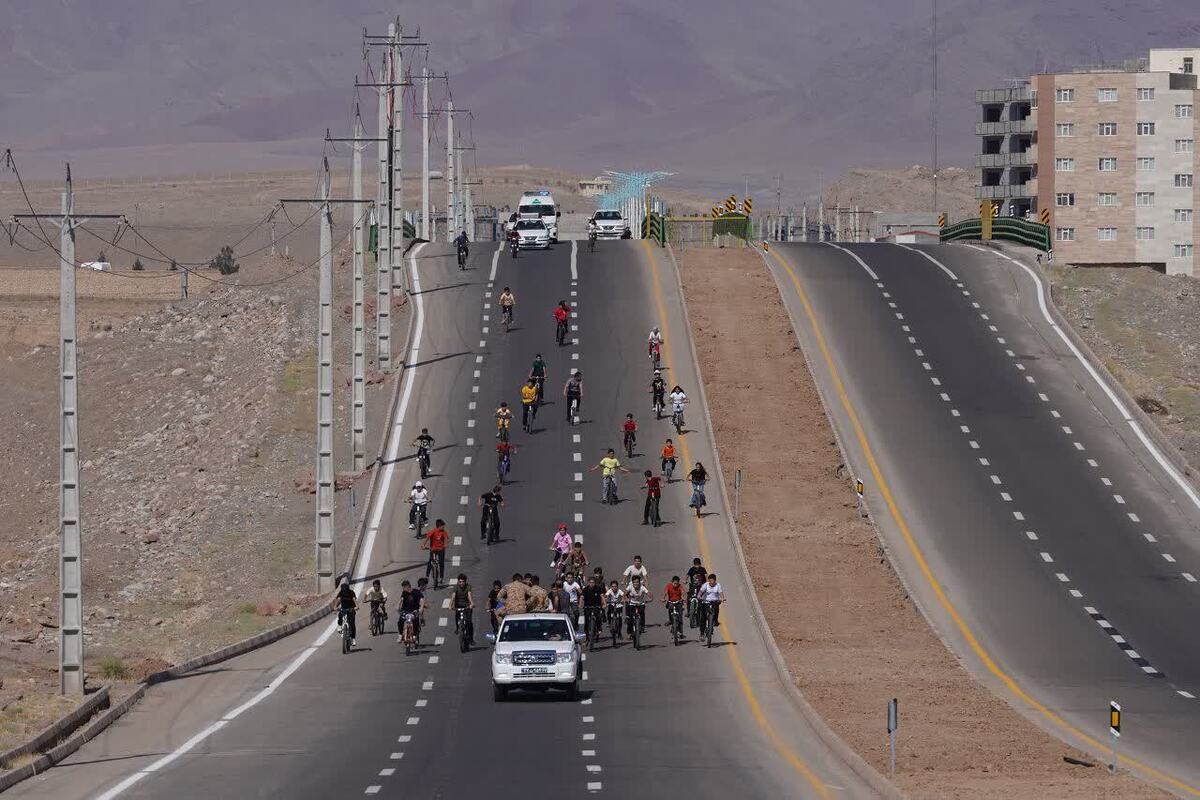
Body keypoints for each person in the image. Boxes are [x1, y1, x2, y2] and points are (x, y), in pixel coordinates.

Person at [421, 518, 449, 588]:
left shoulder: (444, 532)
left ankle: (441, 577)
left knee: (441, 563)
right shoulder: (433, 531)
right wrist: (423, 544)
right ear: (439, 526)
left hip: (441, 549)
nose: (443, 527)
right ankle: (427, 576)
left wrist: (446, 544)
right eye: (442, 526)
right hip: (433, 549)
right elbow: (427, 538)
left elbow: (446, 539)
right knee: (430, 562)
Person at [450, 573, 475, 645]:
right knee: (457, 616)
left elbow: (469, 596)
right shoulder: (456, 587)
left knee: (469, 622)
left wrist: (472, 603)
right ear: (458, 581)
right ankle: (458, 628)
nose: (461, 583)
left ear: (465, 581)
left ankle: (471, 639)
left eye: (463, 581)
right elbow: (453, 596)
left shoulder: (468, 587)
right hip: (458, 605)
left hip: (467, 606)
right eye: (460, 581)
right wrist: (450, 605)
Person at [333, 579, 358, 646]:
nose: (344, 591)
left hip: (351, 609)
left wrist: (356, 606)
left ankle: (353, 638)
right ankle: (339, 625)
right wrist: (335, 607)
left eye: (345, 590)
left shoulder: (351, 593)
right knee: (340, 615)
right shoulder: (341, 593)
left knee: (352, 624)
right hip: (344, 608)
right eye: (343, 590)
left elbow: (354, 600)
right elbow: (338, 600)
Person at [396, 580, 421, 644]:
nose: (404, 589)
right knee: (400, 621)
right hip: (405, 611)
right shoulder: (404, 593)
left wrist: (421, 608)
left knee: (416, 622)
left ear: (408, 586)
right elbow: (401, 600)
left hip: (414, 610)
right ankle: (400, 635)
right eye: (403, 588)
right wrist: (398, 606)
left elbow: (422, 600)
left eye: (404, 587)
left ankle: (415, 635)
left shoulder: (416, 592)